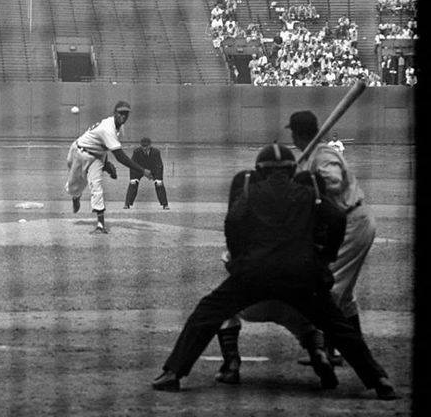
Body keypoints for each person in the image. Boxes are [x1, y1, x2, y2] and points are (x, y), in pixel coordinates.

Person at [152, 143, 396, 400]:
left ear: (259, 170)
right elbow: (336, 217)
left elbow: (232, 222)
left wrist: (238, 261)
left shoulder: (249, 190)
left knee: (206, 313)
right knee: (337, 325)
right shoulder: (307, 194)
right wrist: (323, 259)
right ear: (292, 170)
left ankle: (173, 373)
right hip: (300, 274)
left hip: (254, 273)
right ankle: (379, 379)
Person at [218, 110, 376, 373]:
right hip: (352, 220)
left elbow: (333, 183)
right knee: (344, 296)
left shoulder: (322, 155)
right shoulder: (316, 154)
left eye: (292, 132)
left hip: (351, 222)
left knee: (328, 289)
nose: (291, 135)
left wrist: (303, 181)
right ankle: (338, 349)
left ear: (298, 133)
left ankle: (328, 349)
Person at [65, 101, 153, 234]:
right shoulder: (108, 127)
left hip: (97, 157)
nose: (123, 116)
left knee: (97, 186)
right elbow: (120, 157)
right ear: (114, 113)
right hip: (79, 152)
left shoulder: (119, 127)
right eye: (120, 113)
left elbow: (103, 146)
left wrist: (105, 164)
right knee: (73, 187)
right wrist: (142, 170)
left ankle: (100, 224)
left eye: (126, 113)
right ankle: (76, 196)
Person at [123, 137, 169, 210]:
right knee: (133, 183)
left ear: (150, 145)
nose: (144, 148)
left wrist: (159, 178)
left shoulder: (156, 152)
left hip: (153, 170)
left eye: (146, 146)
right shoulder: (136, 152)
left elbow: (159, 165)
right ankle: (127, 204)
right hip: (140, 169)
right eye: (143, 146)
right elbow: (132, 165)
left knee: (159, 184)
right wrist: (132, 178)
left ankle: (165, 204)